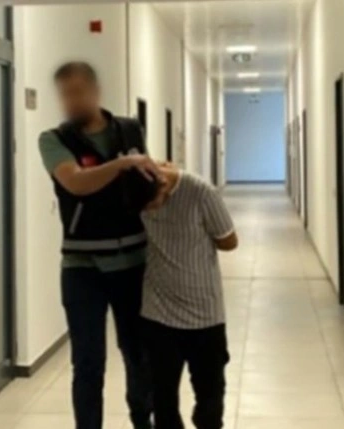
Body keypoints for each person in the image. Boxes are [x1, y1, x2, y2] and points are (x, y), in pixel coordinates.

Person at [38, 61, 159, 429]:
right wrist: (121, 165)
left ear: (95, 91)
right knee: (88, 362)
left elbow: (147, 181)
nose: (71, 101)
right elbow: (75, 182)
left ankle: (142, 420)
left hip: (133, 262)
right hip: (82, 267)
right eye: (64, 94)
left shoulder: (130, 129)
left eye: (77, 91)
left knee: (138, 353)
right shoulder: (54, 140)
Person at [130, 165, 238, 429]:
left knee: (210, 394)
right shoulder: (136, 189)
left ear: (164, 185)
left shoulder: (202, 193)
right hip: (158, 310)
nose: (150, 212)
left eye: (152, 204)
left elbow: (229, 241)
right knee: (162, 395)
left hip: (204, 312)